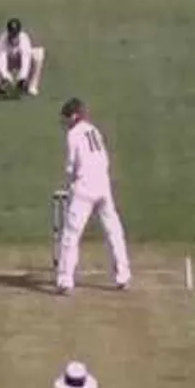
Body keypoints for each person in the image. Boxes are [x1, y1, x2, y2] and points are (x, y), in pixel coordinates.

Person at [55, 98, 131, 295]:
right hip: (102, 184)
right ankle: (123, 276)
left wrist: (70, 185)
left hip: (84, 187)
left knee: (70, 234)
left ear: (73, 116)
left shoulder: (73, 135)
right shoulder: (94, 130)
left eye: (66, 118)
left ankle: (65, 280)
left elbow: (72, 166)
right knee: (113, 230)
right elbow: (103, 158)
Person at [0, 17, 45, 97]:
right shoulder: (2, 40)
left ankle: (32, 86)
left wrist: (21, 78)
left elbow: (26, 60)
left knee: (39, 53)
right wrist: (7, 78)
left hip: (19, 60)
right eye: (11, 33)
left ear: (19, 32)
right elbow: (1, 61)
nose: (13, 37)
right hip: (9, 61)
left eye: (15, 34)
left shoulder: (24, 38)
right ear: (8, 32)